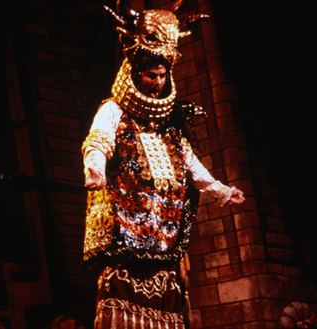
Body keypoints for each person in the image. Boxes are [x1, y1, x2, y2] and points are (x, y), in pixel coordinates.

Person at [82, 4, 244, 329]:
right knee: (123, 300)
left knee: (167, 303)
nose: (157, 82)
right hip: (125, 229)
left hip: (164, 236)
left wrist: (222, 192)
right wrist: (95, 168)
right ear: (135, 73)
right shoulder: (114, 111)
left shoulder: (171, 126)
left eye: (162, 75)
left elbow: (193, 168)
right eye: (150, 75)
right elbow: (98, 140)